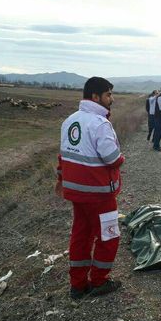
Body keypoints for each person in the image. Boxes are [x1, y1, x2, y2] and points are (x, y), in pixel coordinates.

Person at [55, 77, 124, 299]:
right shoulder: (100, 124)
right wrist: (121, 158)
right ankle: (98, 282)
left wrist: (60, 179)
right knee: (108, 236)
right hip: (99, 194)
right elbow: (112, 158)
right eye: (108, 95)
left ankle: (77, 285)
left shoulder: (69, 121)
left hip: (76, 193)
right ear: (96, 97)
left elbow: (63, 156)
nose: (111, 99)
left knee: (81, 235)